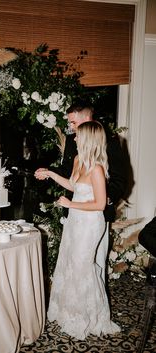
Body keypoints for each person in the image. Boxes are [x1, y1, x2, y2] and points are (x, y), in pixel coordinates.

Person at [34, 121, 121, 339]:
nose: (74, 139)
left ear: (89, 139)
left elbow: (100, 204)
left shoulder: (98, 169)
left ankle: (88, 316)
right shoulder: (77, 160)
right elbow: (74, 186)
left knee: (84, 266)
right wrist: (51, 174)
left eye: (78, 136)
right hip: (75, 221)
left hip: (91, 223)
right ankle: (68, 311)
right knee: (70, 262)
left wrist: (71, 204)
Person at [35, 104, 127, 283]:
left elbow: (120, 179)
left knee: (94, 264)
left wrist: (104, 198)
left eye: (73, 123)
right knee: (72, 262)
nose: (71, 129)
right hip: (75, 215)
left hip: (95, 214)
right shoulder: (74, 146)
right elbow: (71, 178)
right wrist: (49, 172)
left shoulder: (110, 142)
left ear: (85, 120)